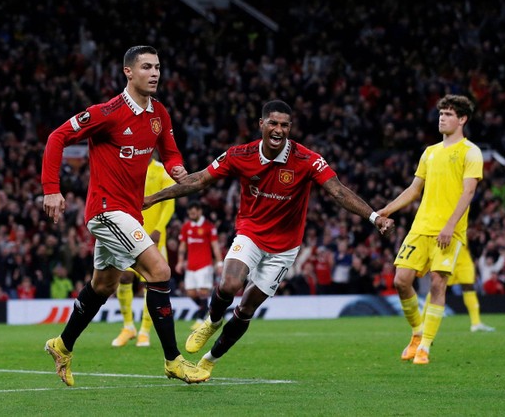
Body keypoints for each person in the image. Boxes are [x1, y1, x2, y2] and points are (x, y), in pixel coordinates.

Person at [144, 100, 394, 375]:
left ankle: (209, 362)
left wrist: (375, 217)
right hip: (251, 232)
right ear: (261, 124)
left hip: (284, 248)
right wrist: (153, 199)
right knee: (229, 283)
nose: (278, 130)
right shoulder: (240, 154)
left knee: (247, 308)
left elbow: (338, 191)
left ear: (290, 128)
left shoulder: (307, 160)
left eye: (284, 125)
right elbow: (199, 180)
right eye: (273, 123)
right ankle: (212, 321)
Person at [41, 45, 209, 386]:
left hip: (129, 212)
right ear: (128, 72)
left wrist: (179, 173)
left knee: (103, 285)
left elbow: (172, 154)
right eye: (147, 67)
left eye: (158, 67)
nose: (155, 73)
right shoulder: (107, 112)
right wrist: (51, 188)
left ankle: (62, 345)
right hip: (105, 210)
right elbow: (57, 136)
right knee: (159, 270)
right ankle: (173, 360)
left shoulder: (159, 112)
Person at [378, 94, 482, 365]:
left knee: (438, 282)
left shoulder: (471, 152)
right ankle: (417, 333)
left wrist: (449, 225)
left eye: (448, 114)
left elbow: (468, 192)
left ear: (462, 119)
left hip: (449, 231)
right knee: (401, 281)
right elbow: (415, 189)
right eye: (441, 113)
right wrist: (387, 209)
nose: (442, 118)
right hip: (421, 227)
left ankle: (424, 347)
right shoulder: (430, 152)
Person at [111, 155, 176, 348]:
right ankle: (128, 327)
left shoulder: (161, 171)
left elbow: (169, 203)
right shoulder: (127, 167)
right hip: (130, 233)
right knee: (124, 277)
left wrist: (159, 228)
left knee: (152, 281)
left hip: (153, 235)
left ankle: (144, 331)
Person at [421, 246, 495, 332]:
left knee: (468, 287)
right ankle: (422, 323)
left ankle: (476, 323)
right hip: (448, 254)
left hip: (464, 258)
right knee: (438, 286)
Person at [176, 200, 223, 329]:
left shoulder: (209, 227)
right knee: (191, 293)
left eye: (194, 213)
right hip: (191, 266)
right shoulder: (186, 227)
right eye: (190, 213)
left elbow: (215, 246)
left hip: (205, 265)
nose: (191, 215)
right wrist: (180, 262)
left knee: (203, 292)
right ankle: (208, 310)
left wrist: (219, 263)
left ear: (199, 212)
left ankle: (200, 318)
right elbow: (182, 245)